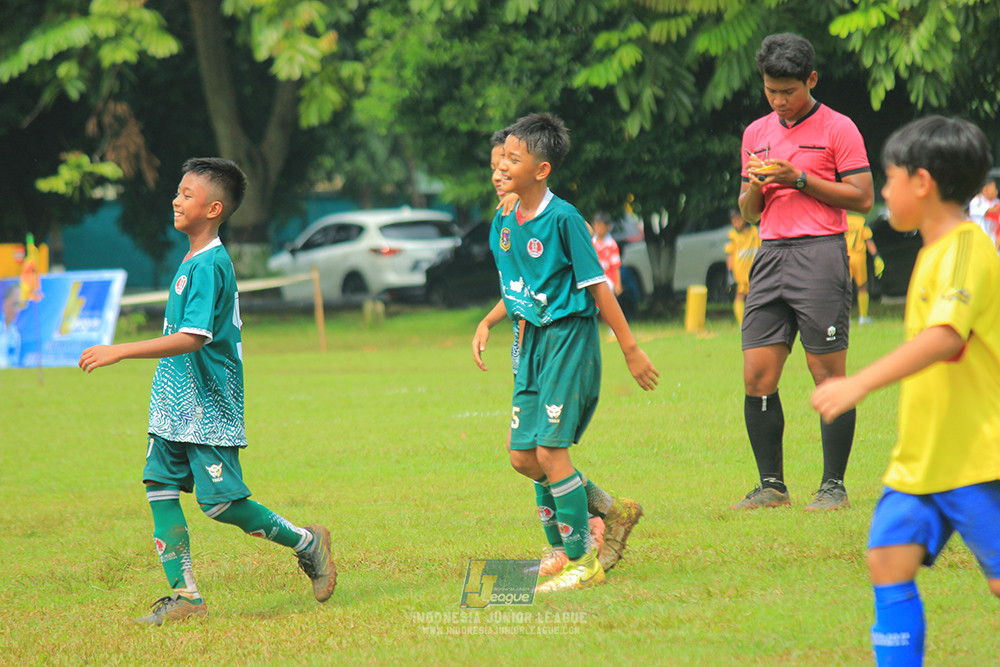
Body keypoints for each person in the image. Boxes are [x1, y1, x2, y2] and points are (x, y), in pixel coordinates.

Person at [78, 158, 336, 626]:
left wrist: (120, 350)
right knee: (159, 488)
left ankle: (307, 541)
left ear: (214, 209)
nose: (176, 200)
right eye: (178, 192)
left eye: (187, 194)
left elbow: (193, 337)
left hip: (208, 405)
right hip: (172, 404)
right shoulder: (192, 259)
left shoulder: (211, 264)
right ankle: (187, 598)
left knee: (220, 504)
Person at [811, 116, 1000, 667]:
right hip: (922, 458)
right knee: (888, 559)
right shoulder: (931, 253)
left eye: (889, 179)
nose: (883, 193)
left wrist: (858, 383)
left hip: (974, 455)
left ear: (922, 182)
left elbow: (945, 337)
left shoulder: (966, 248)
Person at [478, 112, 658, 594]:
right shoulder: (505, 221)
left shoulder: (564, 219)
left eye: (511, 159)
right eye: (498, 160)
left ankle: (580, 559)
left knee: (550, 452)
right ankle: (606, 515)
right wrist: (489, 321)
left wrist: (631, 349)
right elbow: (521, 286)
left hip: (568, 340)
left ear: (540, 170)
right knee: (523, 457)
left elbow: (598, 286)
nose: (501, 168)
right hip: (530, 343)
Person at [735, 33, 874, 511]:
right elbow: (749, 210)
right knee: (757, 374)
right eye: (771, 90)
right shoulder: (755, 133)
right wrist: (758, 186)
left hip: (820, 253)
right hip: (770, 254)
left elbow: (863, 197)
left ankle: (833, 487)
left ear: (811, 80)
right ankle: (771, 486)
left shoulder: (839, 128)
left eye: (788, 91)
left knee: (826, 373)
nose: (779, 100)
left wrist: (797, 178)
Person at [845, 214, 884, 325]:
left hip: (845, 256)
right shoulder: (861, 221)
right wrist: (876, 256)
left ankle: (846, 318)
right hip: (859, 257)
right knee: (862, 286)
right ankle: (863, 317)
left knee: (845, 288)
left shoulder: (842, 220)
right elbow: (868, 240)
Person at [724, 208, 760, 325]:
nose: (736, 223)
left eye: (738, 219)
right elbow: (730, 255)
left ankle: (755, 322)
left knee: (755, 297)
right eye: (733, 221)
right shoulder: (733, 235)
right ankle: (742, 323)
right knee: (739, 296)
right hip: (740, 273)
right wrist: (730, 273)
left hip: (754, 272)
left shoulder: (755, 232)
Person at [591, 211, 622, 296]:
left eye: (601, 226)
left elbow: (616, 266)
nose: (598, 229)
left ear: (607, 227)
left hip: (609, 281)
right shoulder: (591, 244)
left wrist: (618, 284)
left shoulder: (612, 245)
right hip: (595, 279)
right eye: (596, 225)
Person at [967, 174, 1000, 247]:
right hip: (980, 240)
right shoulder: (976, 201)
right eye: (993, 188)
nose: (996, 191)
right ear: (985, 189)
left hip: (994, 240)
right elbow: (992, 210)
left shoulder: (996, 201)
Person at [0, 284, 22, 368]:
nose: (17, 310)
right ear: (6, 303)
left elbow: (14, 363)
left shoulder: (15, 334)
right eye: (15, 304)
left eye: (19, 305)